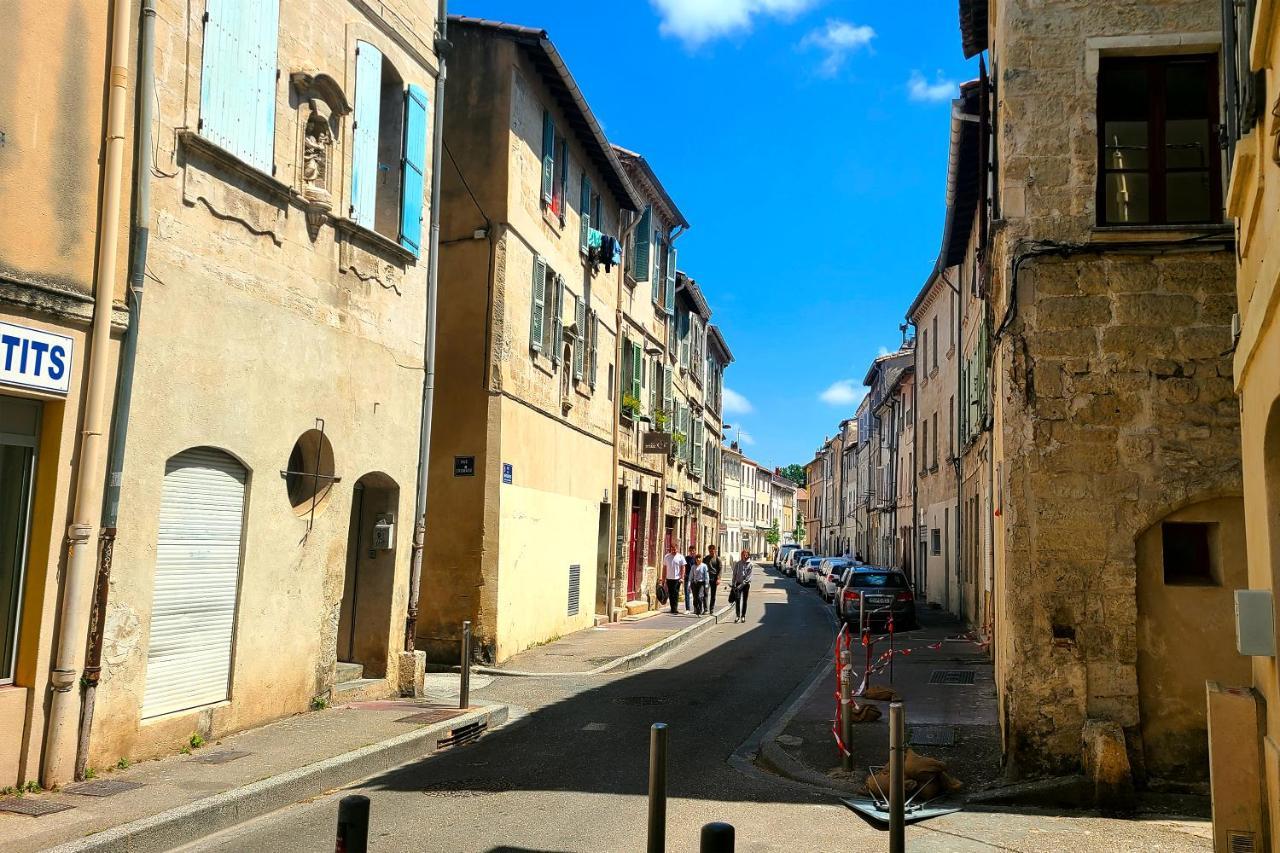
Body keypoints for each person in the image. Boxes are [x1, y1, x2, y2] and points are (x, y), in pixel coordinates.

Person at [662, 543, 685, 615]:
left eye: (675, 549)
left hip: (677, 579)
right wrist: (663, 578)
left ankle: (675, 608)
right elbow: (664, 568)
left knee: (675, 593)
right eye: (672, 549)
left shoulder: (680, 557)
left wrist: (682, 577)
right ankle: (672, 608)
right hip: (669, 578)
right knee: (671, 594)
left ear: (677, 549)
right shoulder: (667, 557)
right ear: (670, 549)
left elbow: (683, 567)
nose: (674, 551)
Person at [731, 548, 753, 623]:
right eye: (742, 554)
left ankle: (743, 616)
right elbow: (734, 574)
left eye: (745, 554)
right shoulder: (738, 563)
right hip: (738, 583)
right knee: (737, 599)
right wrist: (733, 583)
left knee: (745, 600)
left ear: (747, 555)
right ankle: (737, 616)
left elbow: (749, 577)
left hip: (746, 585)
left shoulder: (750, 564)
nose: (743, 556)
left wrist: (742, 584)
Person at [704, 546, 723, 610]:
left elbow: (720, 569)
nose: (711, 552)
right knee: (705, 593)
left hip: (714, 577)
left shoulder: (717, 559)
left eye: (712, 550)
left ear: (715, 550)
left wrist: (718, 578)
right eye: (710, 551)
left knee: (713, 594)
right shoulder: (706, 558)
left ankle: (711, 608)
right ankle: (705, 608)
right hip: (707, 578)